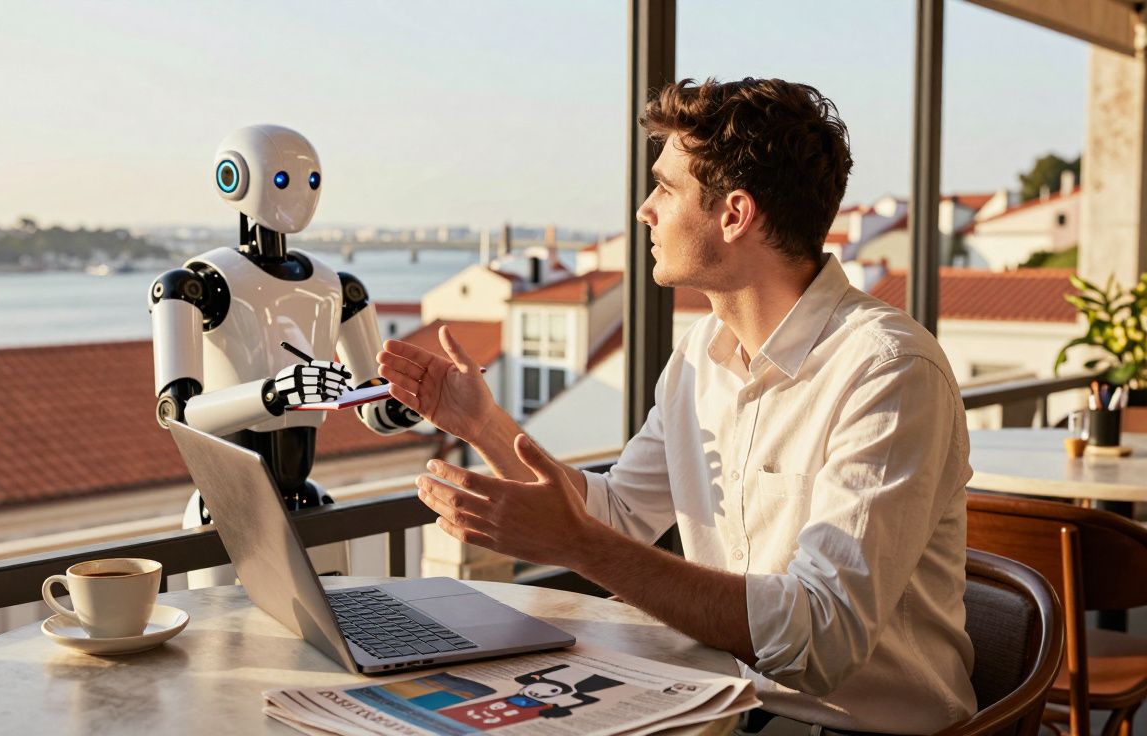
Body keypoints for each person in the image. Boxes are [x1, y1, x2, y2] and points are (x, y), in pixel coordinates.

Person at [377, 78, 975, 735]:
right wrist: (483, 425)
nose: (644, 211)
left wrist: (577, 545)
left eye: (665, 188)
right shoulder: (699, 355)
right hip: (721, 708)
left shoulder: (888, 370)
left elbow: (821, 639)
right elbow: (623, 514)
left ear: (735, 215)